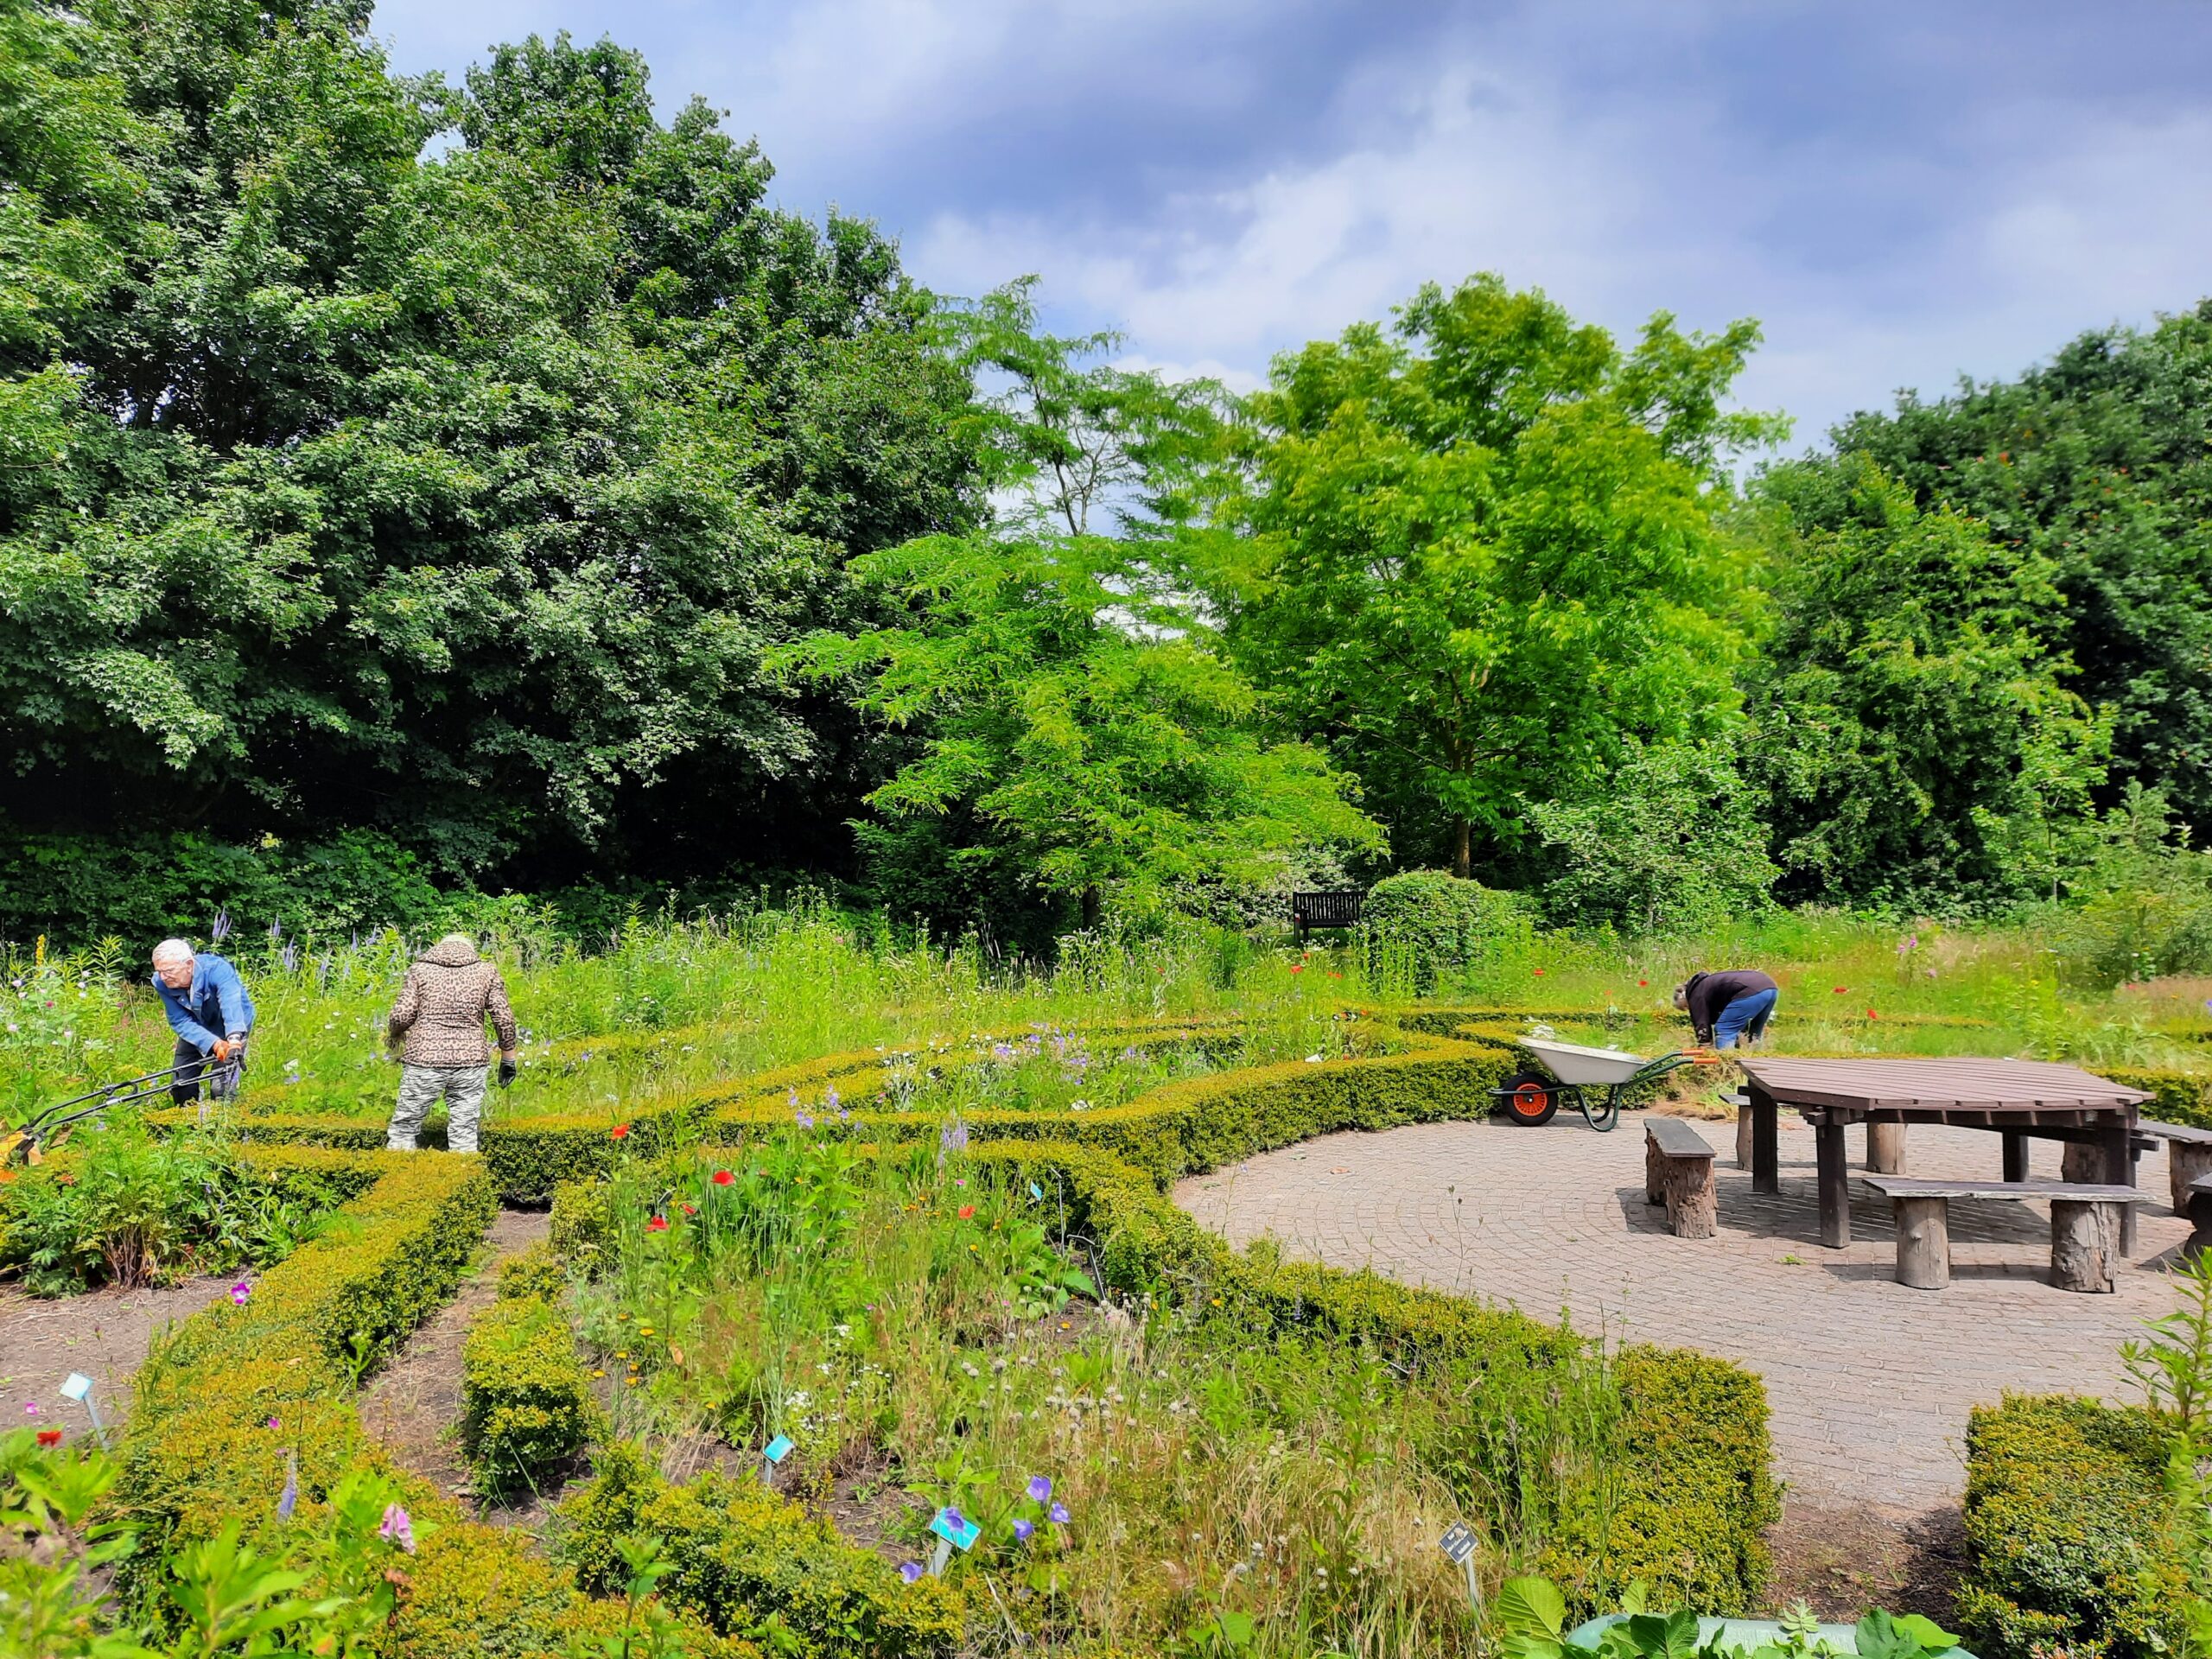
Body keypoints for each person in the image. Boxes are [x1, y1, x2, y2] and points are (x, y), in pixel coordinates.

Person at [385, 933, 518, 1154]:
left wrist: (395, 1035)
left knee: (404, 1128)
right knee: (464, 1132)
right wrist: (508, 1058)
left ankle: (399, 1171)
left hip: (424, 1058)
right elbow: (503, 1019)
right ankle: (462, 1171)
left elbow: (401, 1016)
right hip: (471, 1061)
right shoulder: (486, 972)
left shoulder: (420, 970)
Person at [151, 938, 256, 1104]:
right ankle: (188, 1126)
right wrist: (213, 1043)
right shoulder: (160, 982)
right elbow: (179, 1020)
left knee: (220, 1088)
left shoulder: (217, 969)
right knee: (180, 1085)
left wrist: (234, 1040)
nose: (163, 977)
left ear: (189, 964)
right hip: (196, 1029)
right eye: (159, 971)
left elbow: (231, 1003)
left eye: (169, 971)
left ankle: (223, 1125)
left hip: (231, 1024)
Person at [1675, 969, 1779, 1051]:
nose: (1691, 1010)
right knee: (1754, 1034)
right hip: (1770, 988)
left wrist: (1705, 1046)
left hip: (1751, 991)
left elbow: (1701, 1023)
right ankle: (1756, 1061)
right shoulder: (1706, 985)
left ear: (1684, 998)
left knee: (1724, 1030)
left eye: (1687, 1007)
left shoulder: (1695, 994)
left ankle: (1728, 1067)